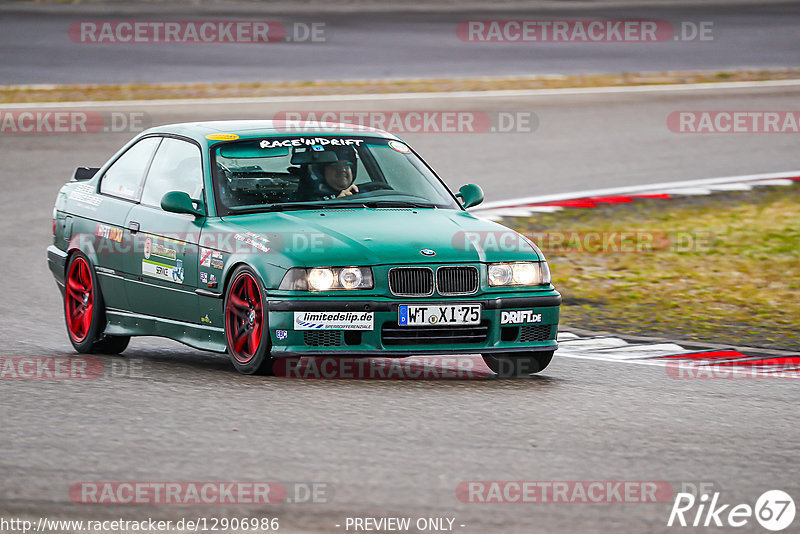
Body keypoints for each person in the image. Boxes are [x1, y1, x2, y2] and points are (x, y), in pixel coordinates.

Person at [291, 146, 359, 201]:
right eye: (334, 165)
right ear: (319, 172)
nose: (343, 170)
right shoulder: (304, 201)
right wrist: (337, 202)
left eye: (347, 164)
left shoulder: (363, 194)